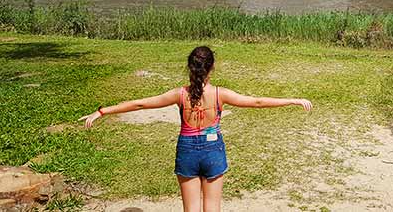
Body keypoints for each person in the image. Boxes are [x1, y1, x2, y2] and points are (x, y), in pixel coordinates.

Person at [79, 45, 313, 212]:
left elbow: (141, 103)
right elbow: (258, 102)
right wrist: (292, 99)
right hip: (213, 151)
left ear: (190, 68)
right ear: (211, 68)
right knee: (212, 208)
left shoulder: (179, 94)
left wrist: (101, 111)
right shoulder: (221, 94)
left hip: (187, 151)